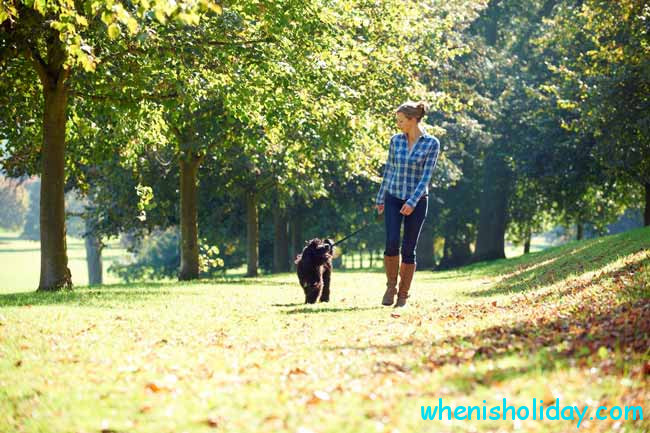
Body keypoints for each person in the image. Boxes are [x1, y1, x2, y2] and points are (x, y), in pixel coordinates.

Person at [376, 101, 440, 308]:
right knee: (391, 242)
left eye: (401, 120)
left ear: (413, 120)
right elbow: (389, 171)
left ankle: (403, 295)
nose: (398, 124)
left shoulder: (432, 144)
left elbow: (426, 177)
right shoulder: (396, 141)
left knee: (409, 248)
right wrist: (380, 198)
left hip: (418, 200)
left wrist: (412, 202)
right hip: (393, 197)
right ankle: (391, 287)